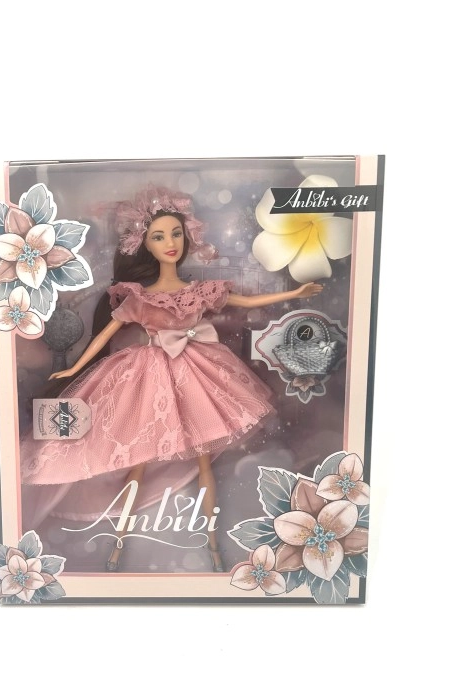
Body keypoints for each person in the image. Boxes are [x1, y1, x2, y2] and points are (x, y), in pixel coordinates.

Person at [21, 185, 323, 571]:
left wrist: (295, 292)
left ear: (187, 236)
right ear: (145, 244)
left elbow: (245, 301)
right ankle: (118, 546)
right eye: (159, 237)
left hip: (196, 373)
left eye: (176, 234)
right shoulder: (138, 297)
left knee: (203, 464)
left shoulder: (199, 292)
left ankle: (213, 547)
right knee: (139, 463)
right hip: (145, 377)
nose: (170, 243)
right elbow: (105, 335)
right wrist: (75, 368)